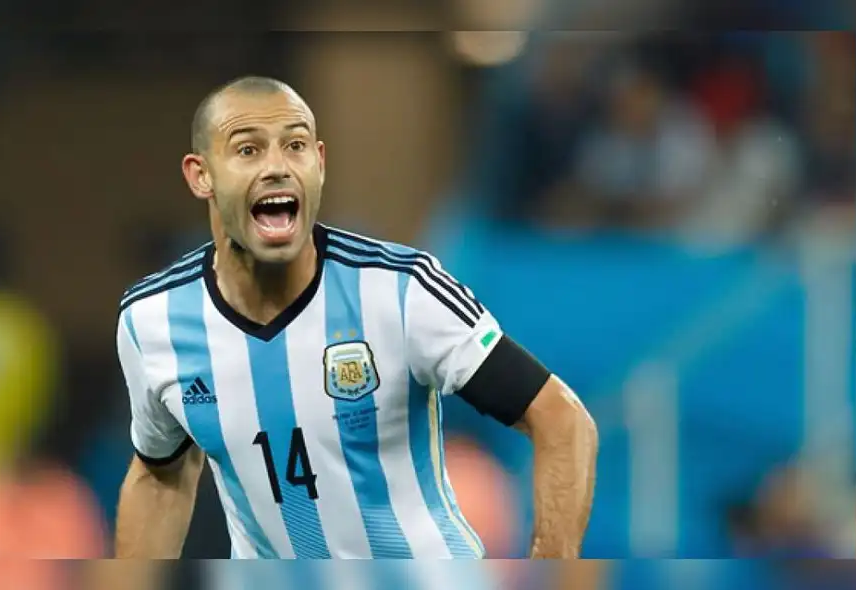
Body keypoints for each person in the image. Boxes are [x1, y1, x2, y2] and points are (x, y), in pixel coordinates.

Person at [113, 76, 598, 559]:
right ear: (201, 175)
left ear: (319, 163)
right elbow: (160, 473)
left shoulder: (402, 290)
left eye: (295, 146)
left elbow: (561, 419)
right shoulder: (152, 322)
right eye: (248, 150)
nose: (277, 167)